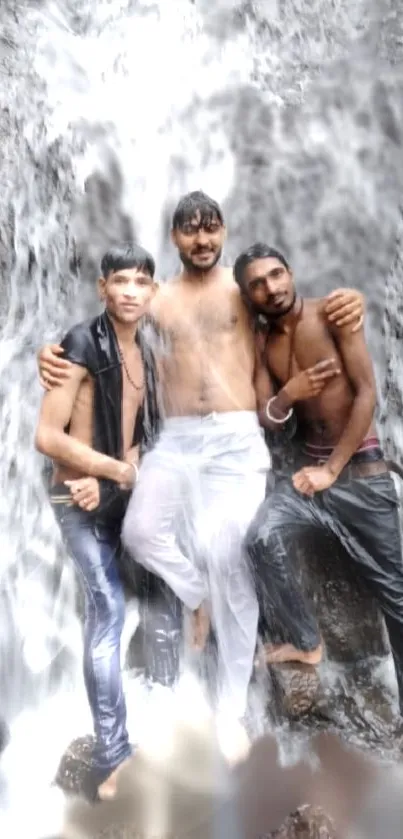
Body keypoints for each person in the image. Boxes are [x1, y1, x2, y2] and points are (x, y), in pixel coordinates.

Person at [37, 192, 364, 730]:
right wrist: (47, 353)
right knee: (142, 533)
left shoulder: (245, 292)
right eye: (191, 231)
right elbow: (102, 330)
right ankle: (195, 595)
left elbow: (294, 303)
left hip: (237, 440)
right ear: (174, 239)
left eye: (211, 229)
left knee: (232, 560)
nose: (202, 239)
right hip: (179, 439)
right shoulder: (156, 298)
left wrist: (347, 299)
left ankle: (231, 712)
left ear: (225, 231)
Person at [35, 244, 181, 800]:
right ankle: (113, 753)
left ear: (153, 292)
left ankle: (166, 719)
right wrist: (112, 470)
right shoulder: (78, 342)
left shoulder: (147, 347)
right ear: (102, 288)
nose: (129, 291)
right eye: (119, 280)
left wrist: (123, 474)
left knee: (169, 587)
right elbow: (47, 437)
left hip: (119, 494)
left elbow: (145, 438)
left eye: (140, 282)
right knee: (107, 611)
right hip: (75, 501)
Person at [234, 242, 403, 715]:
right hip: (310, 479)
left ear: (290, 272)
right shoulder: (265, 342)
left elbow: (368, 393)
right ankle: (307, 642)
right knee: (260, 539)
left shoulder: (332, 313)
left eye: (275, 275)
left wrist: (332, 470)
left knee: (396, 594)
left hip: (359, 473)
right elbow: (268, 415)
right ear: (250, 296)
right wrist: (291, 392)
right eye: (258, 284)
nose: (270, 287)